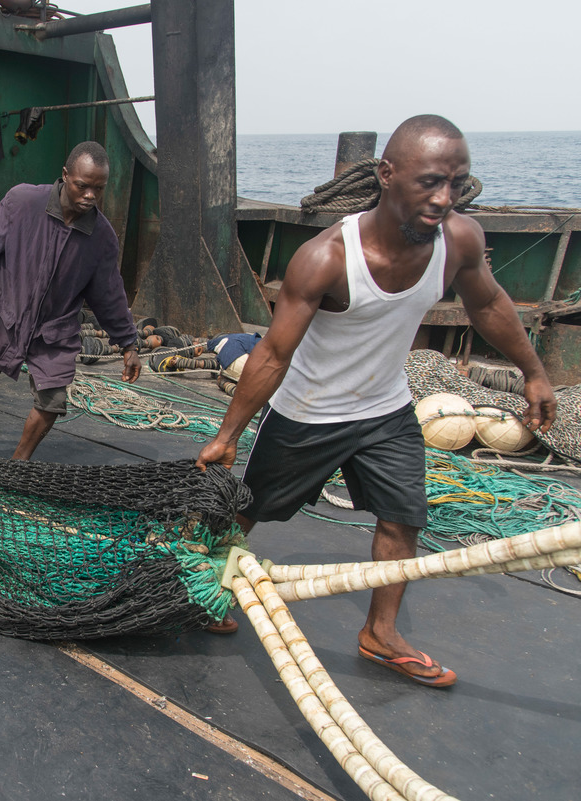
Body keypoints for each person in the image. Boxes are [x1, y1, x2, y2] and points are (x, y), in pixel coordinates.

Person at [195, 115, 557, 687]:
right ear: (388, 175)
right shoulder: (327, 258)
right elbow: (272, 354)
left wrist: (534, 373)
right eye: (430, 182)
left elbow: (488, 304)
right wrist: (228, 434)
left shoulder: (459, 240)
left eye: (457, 184)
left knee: (403, 516)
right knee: (248, 507)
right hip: (308, 411)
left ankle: (380, 634)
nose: (444, 199)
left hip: (386, 410)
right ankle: (204, 589)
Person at [0, 141, 142, 460]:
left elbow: (110, 295)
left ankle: (18, 463)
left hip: (53, 331)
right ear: (65, 176)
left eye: (98, 189)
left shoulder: (102, 238)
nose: (90, 196)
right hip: (2, 316)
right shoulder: (23, 201)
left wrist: (129, 345)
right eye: (82, 186)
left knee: (52, 402)